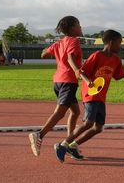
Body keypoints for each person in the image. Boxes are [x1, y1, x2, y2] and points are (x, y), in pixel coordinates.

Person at [54, 29, 124, 163]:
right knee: (88, 122)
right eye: (119, 43)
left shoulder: (115, 60)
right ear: (111, 42)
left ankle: (73, 145)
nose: (121, 46)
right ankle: (63, 144)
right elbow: (81, 72)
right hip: (90, 94)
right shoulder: (96, 56)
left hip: (101, 97)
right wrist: (88, 82)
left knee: (98, 127)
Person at [29, 16, 83, 157]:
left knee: (75, 112)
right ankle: (39, 135)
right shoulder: (74, 41)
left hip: (58, 82)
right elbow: (70, 57)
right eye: (79, 25)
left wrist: (47, 50)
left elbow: (43, 54)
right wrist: (76, 69)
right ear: (72, 28)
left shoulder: (60, 43)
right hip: (68, 81)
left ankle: (70, 143)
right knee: (60, 113)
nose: (81, 27)